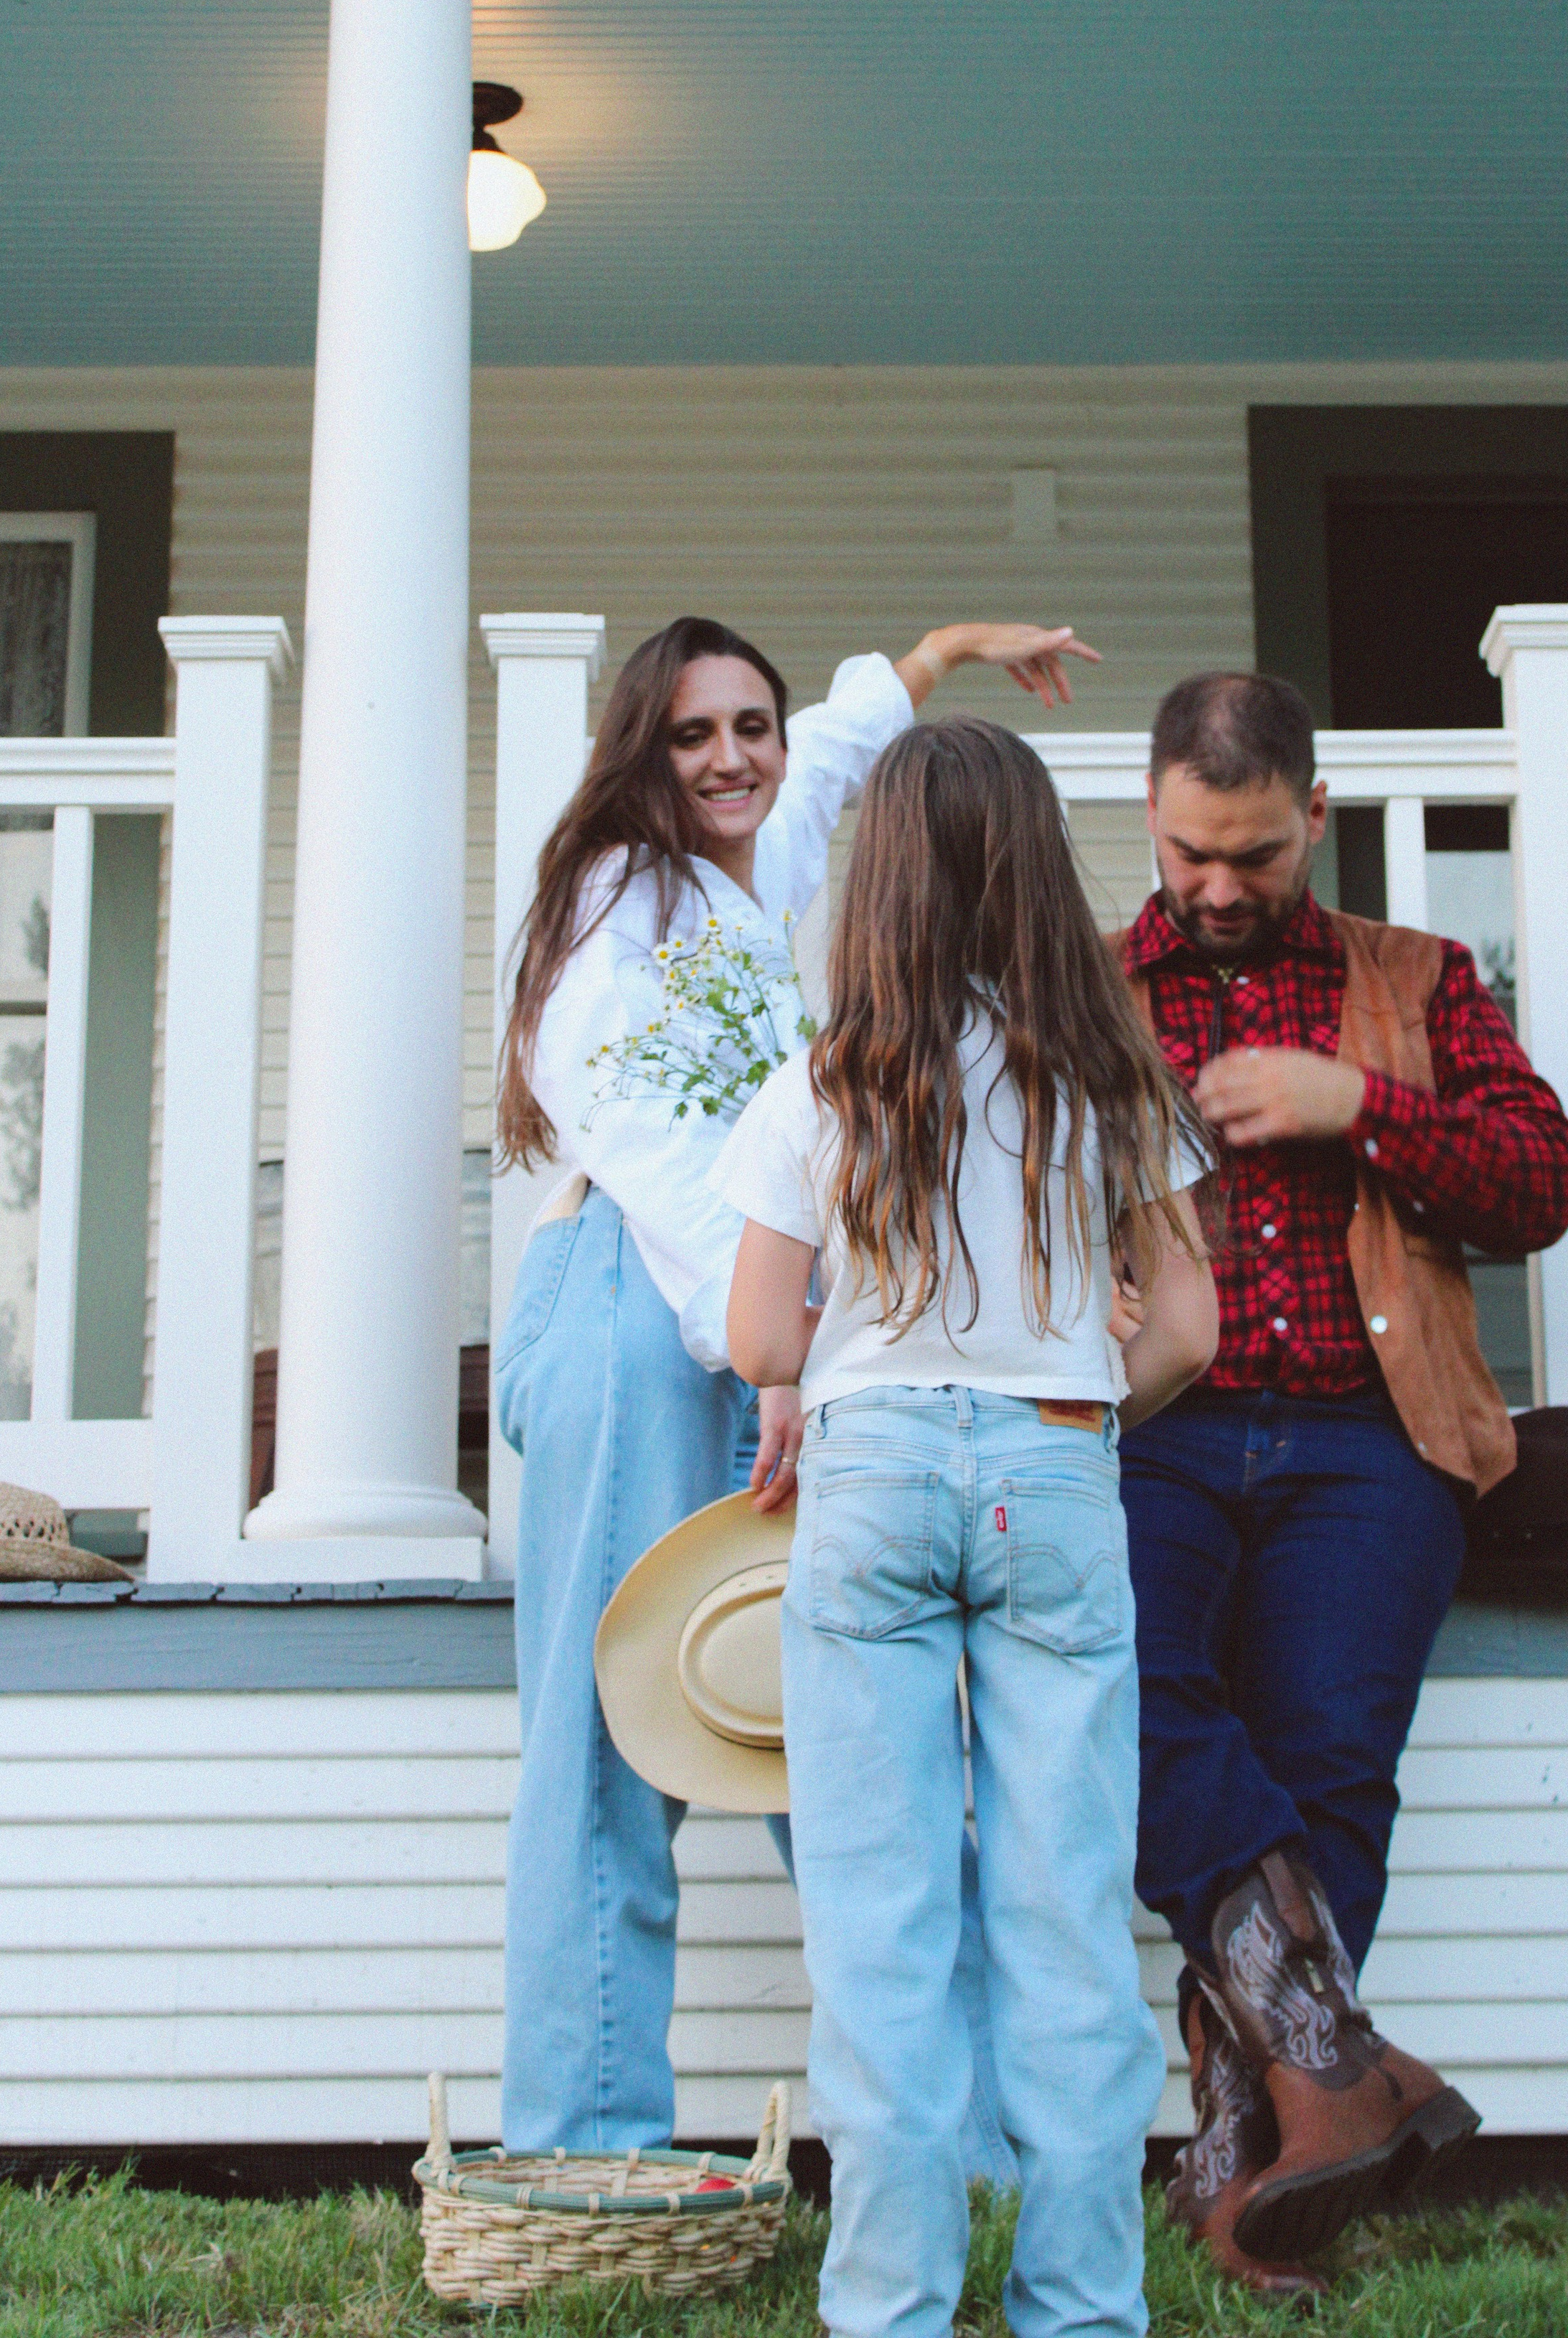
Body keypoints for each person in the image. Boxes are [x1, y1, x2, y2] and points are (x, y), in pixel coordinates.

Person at [492, 613, 1095, 2156]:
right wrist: (771, 1352)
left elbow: (830, 756)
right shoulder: (617, 897)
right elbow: (640, 1141)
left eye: (746, 727)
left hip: (770, 1323)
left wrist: (943, 652)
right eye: (691, 736)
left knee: (833, 1731)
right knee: (607, 1735)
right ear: (641, 755)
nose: (731, 759)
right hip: (648, 1309)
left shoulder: (761, 864)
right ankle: (589, 2155)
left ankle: (947, 2152)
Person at [713, 718, 1221, 2338]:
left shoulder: (825, 1079)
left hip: (866, 1480)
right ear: (1037, 877)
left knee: (879, 1929)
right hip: (1055, 1472)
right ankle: (1081, 2306)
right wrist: (1073, 1398)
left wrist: (843, 1357)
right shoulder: (1105, 1076)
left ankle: (892, 2307)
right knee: (1066, 1921)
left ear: (878, 889)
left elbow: (755, 1340)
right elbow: (1189, 1333)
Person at [1114, 670, 1568, 2295]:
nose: (1218, 890)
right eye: (1189, 854)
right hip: (1152, 1432)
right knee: (1124, 1686)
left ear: (1311, 817)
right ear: (1150, 818)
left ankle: (1248, 2168)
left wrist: (1356, 1107)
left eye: (1251, 854)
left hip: (1368, 1437)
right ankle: (1338, 2073)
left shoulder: (1415, 979)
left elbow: (1540, 1183)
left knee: (1328, 1769)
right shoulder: (1091, 990)